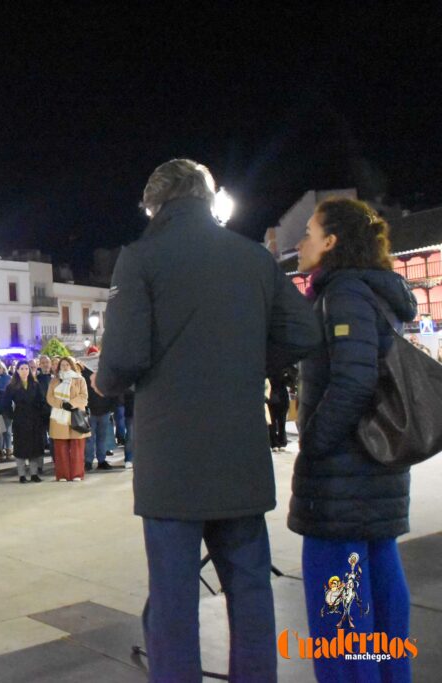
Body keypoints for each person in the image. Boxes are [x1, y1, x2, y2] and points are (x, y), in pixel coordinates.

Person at [97, 159, 320, 682]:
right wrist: (247, 361)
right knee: (249, 589)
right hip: (238, 451)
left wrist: (104, 384)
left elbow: (124, 356)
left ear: (156, 205)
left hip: (172, 461)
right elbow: (305, 334)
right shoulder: (252, 258)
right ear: (206, 197)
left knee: (174, 599)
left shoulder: (140, 258)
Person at [289, 197, 418, 683]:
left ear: (332, 242)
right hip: (377, 467)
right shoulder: (376, 292)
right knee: (383, 590)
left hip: (343, 476)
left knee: (340, 610)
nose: (300, 242)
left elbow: (353, 380)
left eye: (309, 231)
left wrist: (316, 442)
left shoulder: (343, 293)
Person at [0, 361, 47, 483]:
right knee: (21, 447)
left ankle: (34, 474)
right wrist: (12, 415)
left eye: (27, 368)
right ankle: (21, 475)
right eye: (22, 368)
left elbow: (42, 401)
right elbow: (6, 403)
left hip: (34, 419)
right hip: (20, 419)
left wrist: (41, 415)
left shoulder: (35, 385)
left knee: (34, 447)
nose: (25, 370)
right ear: (17, 370)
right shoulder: (12, 386)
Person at [46, 357, 90, 482]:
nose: (64, 367)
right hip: (58, 417)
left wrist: (70, 403)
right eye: (62, 365)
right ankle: (63, 474)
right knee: (60, 448)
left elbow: (84, 397)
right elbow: (49, 397)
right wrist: (61, 404)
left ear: (72, 365)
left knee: (77, 447)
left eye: (67, 364)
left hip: (75, 415)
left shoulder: (80, 379)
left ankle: (77, 474)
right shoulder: (54, 381)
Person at [80, 355, 117, 471]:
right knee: (92, 438)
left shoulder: (103, 372)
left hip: (102, 410)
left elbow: (111, 391)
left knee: (100, 437)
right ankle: (90, 461)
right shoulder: (85, 374)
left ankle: (98, 460)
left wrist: (111, 407)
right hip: (91, 410)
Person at [267, 368, 290, 452]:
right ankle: (278, 442)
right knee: (279, 422)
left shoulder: (272, 370)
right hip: (277, 398)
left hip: (276, 398)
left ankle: (276, 443)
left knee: (277, 422)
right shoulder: (284, 370)